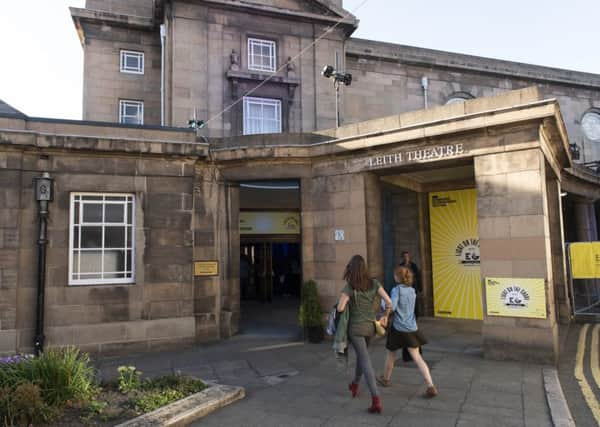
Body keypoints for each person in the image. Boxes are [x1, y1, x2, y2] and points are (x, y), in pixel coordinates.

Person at [336, 255, 392, 414]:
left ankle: (376, 399)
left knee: (365, 361)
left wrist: (344, 303)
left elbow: (340, 308)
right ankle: (355, 384)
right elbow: (389, 302)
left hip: (356, 329)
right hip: (371, 328)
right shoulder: (374, 283)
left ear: (351, 269)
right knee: (363, 356)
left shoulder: (350, 286)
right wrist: (385, 316)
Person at [376, 265, 438, 398]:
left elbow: (391, 307)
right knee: (418, 357)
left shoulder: (396, 290)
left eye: (395, 275)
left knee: (391, 353)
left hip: (398, 328)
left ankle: (385, 379)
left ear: (398, 277)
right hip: (411, 327)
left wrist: (383, 302)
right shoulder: (412, 291)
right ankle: (430, 385)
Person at [399, 250, 422, 362]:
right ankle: (413, 353)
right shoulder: (400, 267)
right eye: (404, 256)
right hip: (404, 315)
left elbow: (418, 277)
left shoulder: (413, 266)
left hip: (404, 316)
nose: (406, 258)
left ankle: (413, 352)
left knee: (409, 328)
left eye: (407, 256)